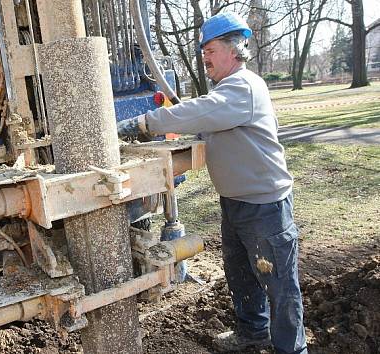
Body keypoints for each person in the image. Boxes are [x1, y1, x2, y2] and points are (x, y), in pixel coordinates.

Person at [117, 12, 307, 354]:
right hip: (236, 202)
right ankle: (252, 333)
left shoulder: (242, 88)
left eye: (212, 48)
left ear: (235, 51)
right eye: (203, 49)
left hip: (264, 207)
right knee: (242, 275)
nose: (205, 55)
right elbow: (205, 122)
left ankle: (292, 349)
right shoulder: (226, 91)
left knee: (279, 284)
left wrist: (143, 123)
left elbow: (198, 113)